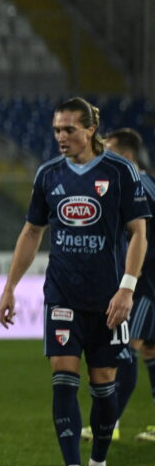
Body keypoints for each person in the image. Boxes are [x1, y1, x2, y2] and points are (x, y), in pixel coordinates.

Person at [0, 97, 149, 466]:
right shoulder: (49, 175)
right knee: (63, 381)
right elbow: (32, 232)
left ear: (90, 130)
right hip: (62, 294)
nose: (61, 137)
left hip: (108, 300)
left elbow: (139, 233)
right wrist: (10, 286)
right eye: (56, 130)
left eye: (69, 130)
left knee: (103, 386)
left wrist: (127, 289)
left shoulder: (120, 171)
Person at [80, 127, 155, 445]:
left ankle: (109, 423)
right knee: (150, 349)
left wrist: (132, 281)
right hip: (140, 282)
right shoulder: (135, 183)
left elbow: (141, 237)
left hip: (145, 285)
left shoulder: (137, 185)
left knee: (128, 346)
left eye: (107, 150)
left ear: (125, 156)